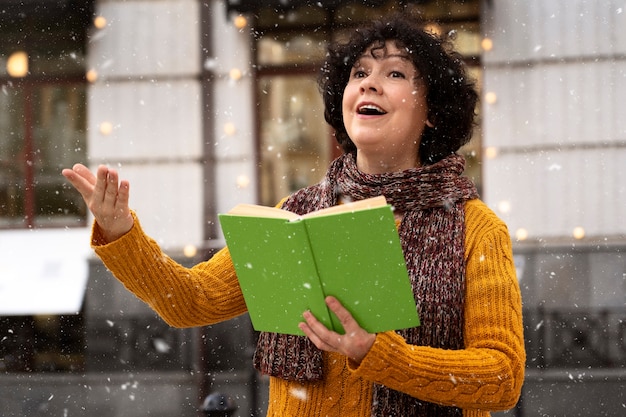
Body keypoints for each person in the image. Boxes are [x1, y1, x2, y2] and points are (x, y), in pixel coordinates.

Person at [63, 13, 525, 417]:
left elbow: (503, 376)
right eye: (359, 72)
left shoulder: (475, 228)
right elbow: (192, 301)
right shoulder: (296, 214)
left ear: (434, 113)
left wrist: (384, 356)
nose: (367, 82)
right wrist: (122, 232)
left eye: (396, 74)